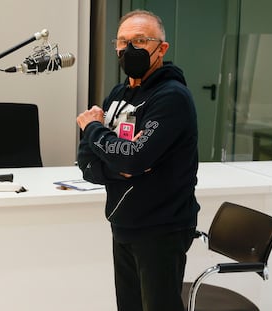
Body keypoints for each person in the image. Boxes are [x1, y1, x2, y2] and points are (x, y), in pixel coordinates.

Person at [76, 9, 200, 311]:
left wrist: (93, 127)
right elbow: (86, 162)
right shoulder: (119, 94)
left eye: (140, 40)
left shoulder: (171, 97)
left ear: (162, 48)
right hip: (123, 221)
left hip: (162, 227)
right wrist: (122, 166)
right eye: (122, 41)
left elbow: (132, 158)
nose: (129, 49)